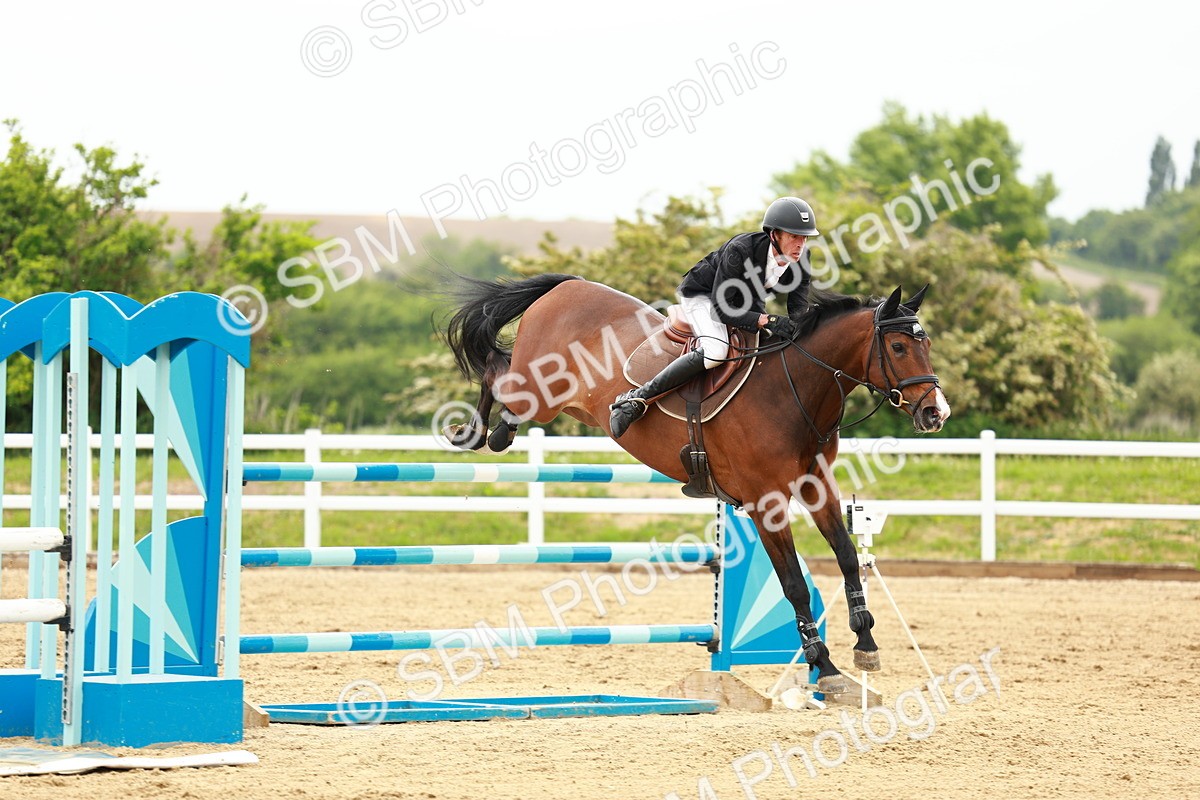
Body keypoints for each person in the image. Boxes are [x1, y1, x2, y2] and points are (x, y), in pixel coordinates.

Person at [608, 196, 820, 439]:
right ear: (774, 235)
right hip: (704, 296)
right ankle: (636, 399)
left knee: (767, 345)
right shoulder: (740, 250)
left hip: (743, 299)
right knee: (716, 351)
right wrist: (766, 320)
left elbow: (799, 309)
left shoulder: (801, 258)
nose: (800, 244)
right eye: (794, 236)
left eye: (804, 237)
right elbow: (721, 308)